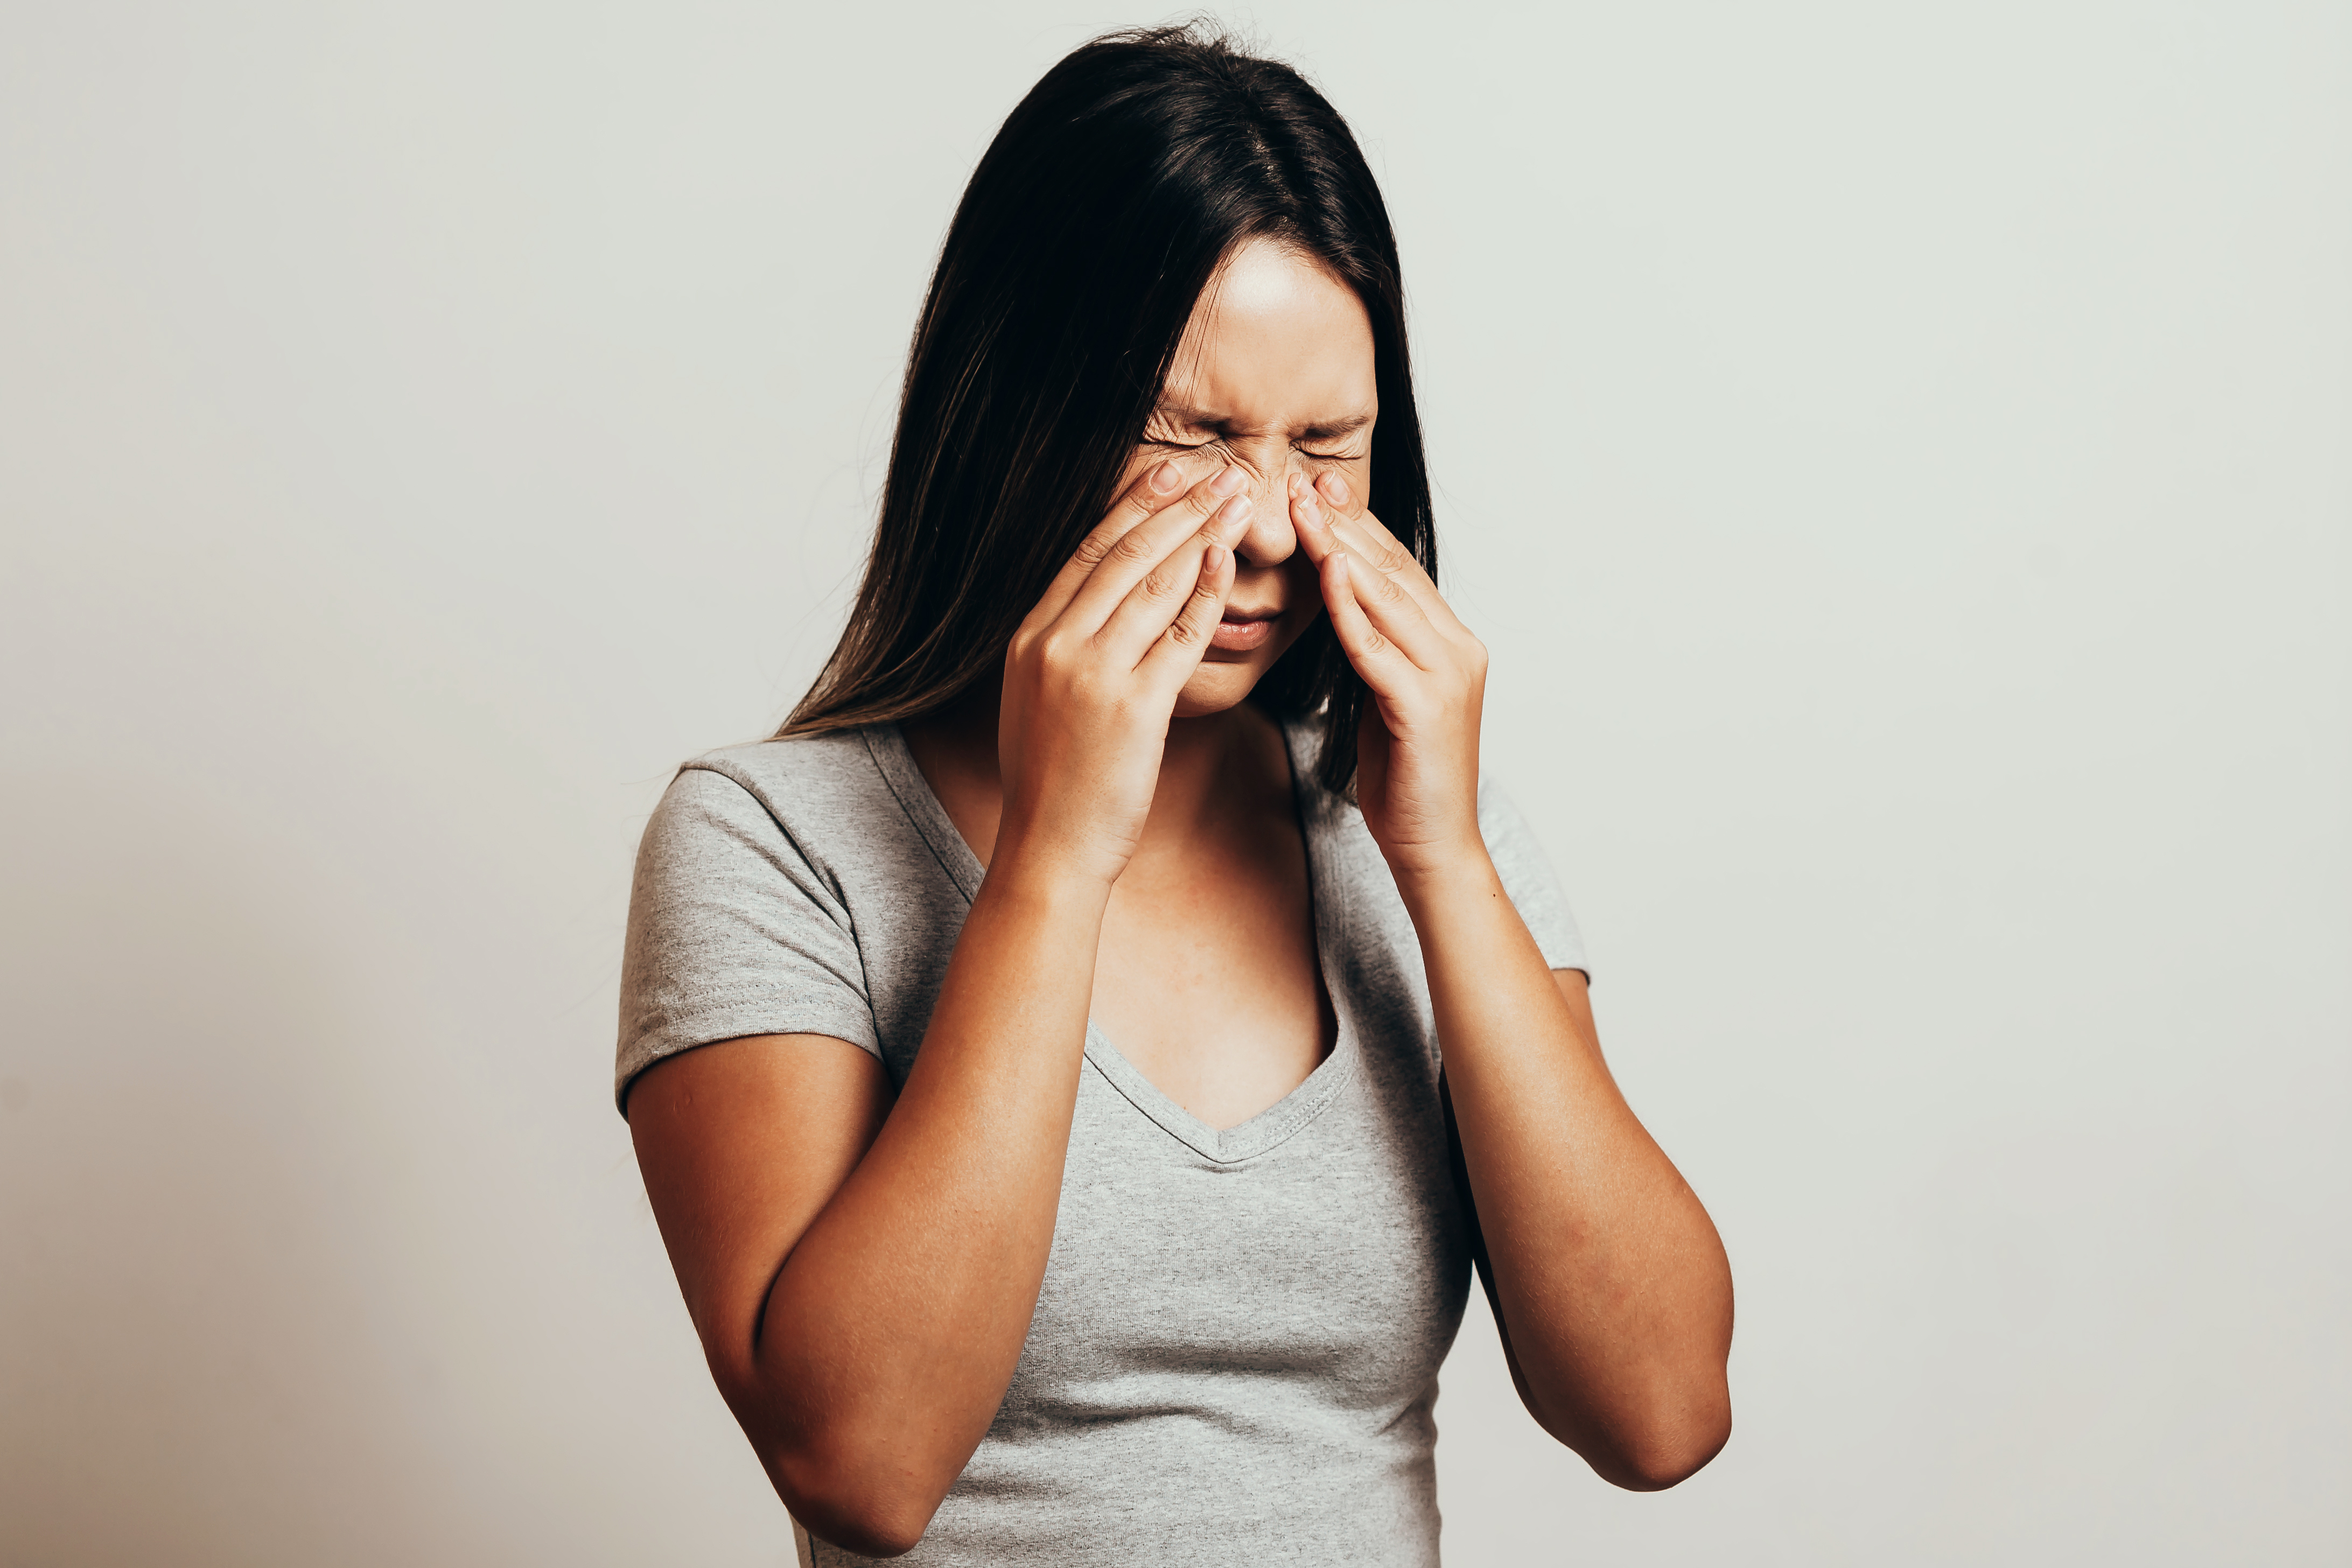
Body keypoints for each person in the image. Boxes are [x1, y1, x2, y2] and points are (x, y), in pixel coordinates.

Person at [617, 25, 1732, 1565]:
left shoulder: (1419, 837)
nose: (1274, 526)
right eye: (1195, 439)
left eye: (1329, 448)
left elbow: (1661, 1409)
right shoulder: (769, 843)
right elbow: (860, 1462)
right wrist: (1057, 860)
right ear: (1019, 416)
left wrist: (1447, 862)